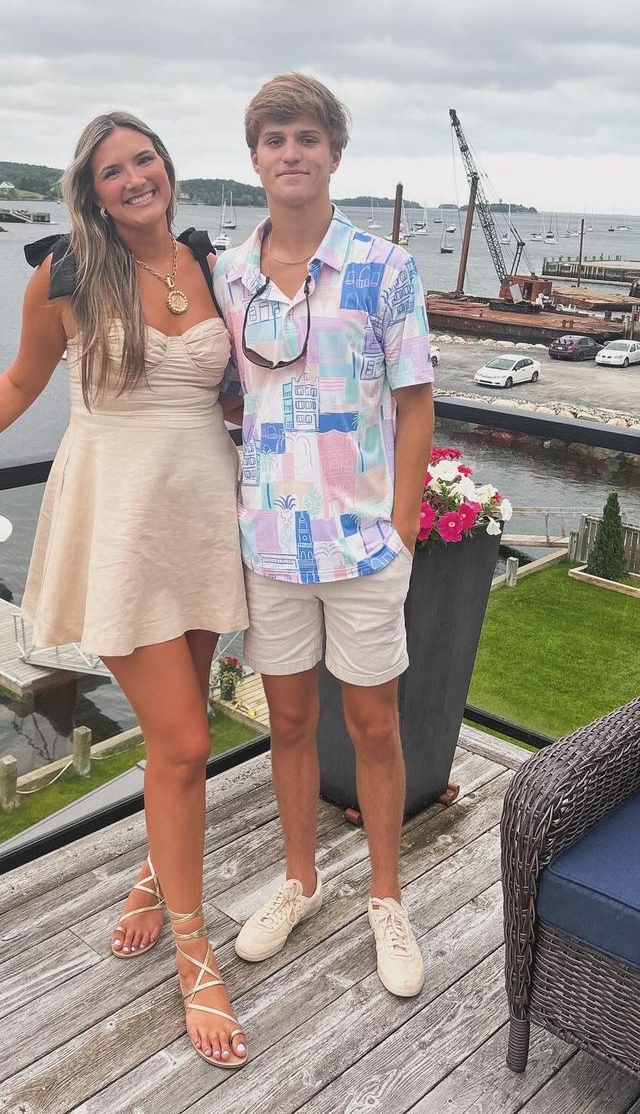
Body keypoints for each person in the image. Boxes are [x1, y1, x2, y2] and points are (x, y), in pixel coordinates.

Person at [0, 112, 250, 1069]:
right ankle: (196, 956)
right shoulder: (66, 273)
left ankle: (153, 881)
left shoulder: (210, 264)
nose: (135, 178)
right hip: (116, 519)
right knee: (186, 744)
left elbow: (237, 389)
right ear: (91, 191)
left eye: (145, 159)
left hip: (201, 512)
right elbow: (23, 381)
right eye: (113, 170)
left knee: (181, 734)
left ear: (167, 166)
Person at [213, 73, 436, 997]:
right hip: (270, 544)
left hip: (362, 545)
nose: (291, 153)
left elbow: (416, 405)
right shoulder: (230, 274)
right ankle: (300, 880)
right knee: (291, 722)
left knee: (374, 726)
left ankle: (387, 896)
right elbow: (230, 392)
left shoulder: (385, 268)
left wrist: (402, 529)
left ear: (335, 154)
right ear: (255, 157)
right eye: (275, 139)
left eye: (307, 137)